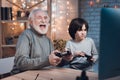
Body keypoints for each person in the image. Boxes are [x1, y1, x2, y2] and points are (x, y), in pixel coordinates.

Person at [11, 9, 62, 73]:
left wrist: (63, 59)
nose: (43, 21)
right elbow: (21, 63)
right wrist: (47, 60)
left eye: (45, 18)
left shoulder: (48, 40)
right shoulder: (25, 35)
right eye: (39, 18)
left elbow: (51, 62)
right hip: (21, 76)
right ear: (31, 22)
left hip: (40, 75)